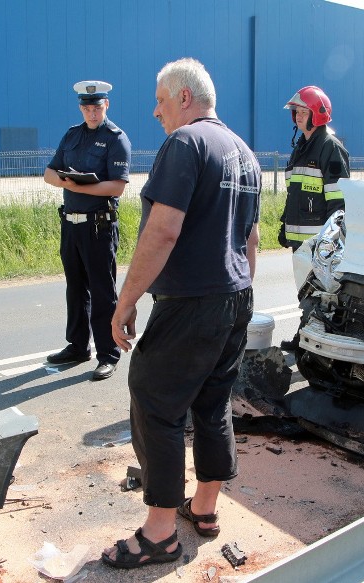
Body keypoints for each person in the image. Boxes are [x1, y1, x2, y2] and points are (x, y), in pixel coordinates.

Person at [101, 58, 261, 569]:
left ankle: (160, 533)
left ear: (185, 98)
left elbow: (163, 230)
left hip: (191, 302)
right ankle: (206, 508)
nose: (155, 111)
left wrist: (125, 301)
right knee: (212, 403)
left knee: (155, 399)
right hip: (235, 297)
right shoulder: (244, 153)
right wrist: (238, 296)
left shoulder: (186, 143)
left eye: (161, 100)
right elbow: (250, 238)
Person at [43, 81, 131, 381]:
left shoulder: (116, 139)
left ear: (106, 105)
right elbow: (49, 173)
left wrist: (83, 185)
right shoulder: (72, 135)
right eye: (86, 108)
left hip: (98, 226)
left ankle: (109, 354)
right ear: (81, 108)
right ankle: (78, 346)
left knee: (103, 292)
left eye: (97, 107)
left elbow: (117, 186)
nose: (91, 113)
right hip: (70, 224)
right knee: (75, 289)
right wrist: (67, 183)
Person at [279, 85, 350, 351]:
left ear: (317, 114)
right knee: (305, 293)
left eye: (303, 111)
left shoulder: (330, 147)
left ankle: (318, 344)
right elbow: (293, 193)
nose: (297, 116)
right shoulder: (302, 147)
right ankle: (307, 339)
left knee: (321, 296)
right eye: (296, 111)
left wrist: (329, 243)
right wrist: (284, 225)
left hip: (318, 243)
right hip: (301, 241)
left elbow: (338, 201)